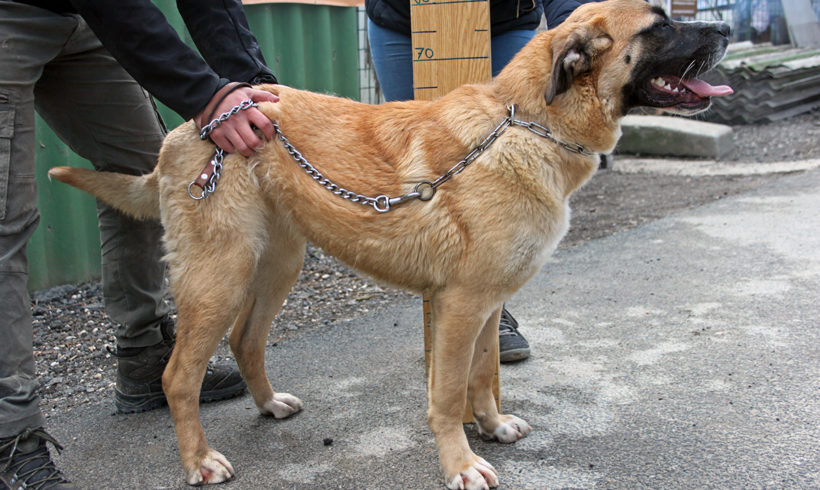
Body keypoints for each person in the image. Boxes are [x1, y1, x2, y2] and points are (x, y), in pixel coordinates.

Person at [0, 1, 281, 487]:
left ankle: (144, 356)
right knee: (6, 221)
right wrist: (205, 97)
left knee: (147, 181)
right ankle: (11, 433)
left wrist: (249, 83)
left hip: (86, 19)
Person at [365, 0, 592, 363]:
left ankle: (491, 309)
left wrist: (580, 25)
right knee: (429, 174)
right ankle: (449, 309)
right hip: (400, 19)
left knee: (502, 180)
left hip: (506, 18)